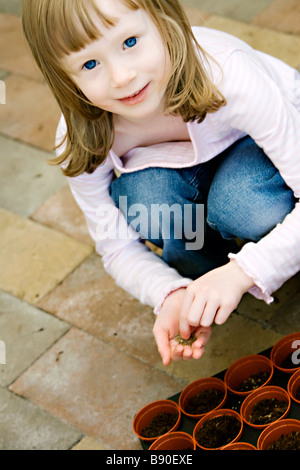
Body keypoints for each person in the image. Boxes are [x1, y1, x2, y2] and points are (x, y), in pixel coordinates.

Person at [22, 0, 300, 366]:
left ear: (163, 20)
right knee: (150, 205)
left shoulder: (228, 71)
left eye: (130, 42)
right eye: (89, 64)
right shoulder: (78, 135)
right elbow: (116, 246)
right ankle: (203, 280)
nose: (121, 77)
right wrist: (167, 293)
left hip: (256, 149)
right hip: (177, 169)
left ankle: (252, 256)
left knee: (241, 206)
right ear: (63, 78)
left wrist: (245, 272)